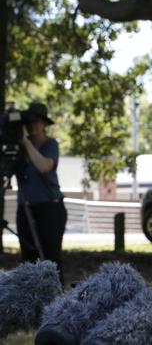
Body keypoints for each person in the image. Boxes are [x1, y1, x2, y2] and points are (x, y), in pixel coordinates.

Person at [15, 102, 67, 284]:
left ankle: (56, 299)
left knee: (50, 258)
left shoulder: (50, 144)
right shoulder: (18, 149)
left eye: (37, 121)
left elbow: (44, 166)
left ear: (44, 124)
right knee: (28, 259)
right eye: (29, 122)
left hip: (50, 209)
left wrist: (27, 144)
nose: (32, 125)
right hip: (26, 208)